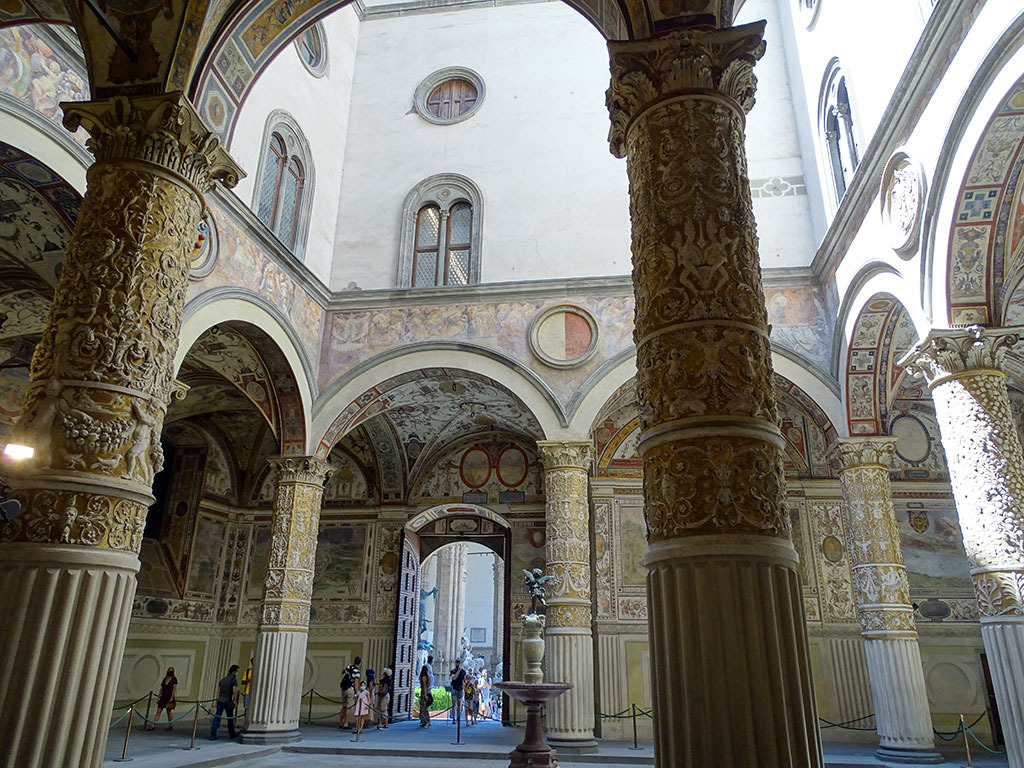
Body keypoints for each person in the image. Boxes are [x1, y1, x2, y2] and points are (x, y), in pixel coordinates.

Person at [210, 664, 239, 740]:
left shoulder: (223, 679)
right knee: (230, 718)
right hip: (228, 701)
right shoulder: (233, 680)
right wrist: (235, 701)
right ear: (234, 671)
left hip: (220, 700)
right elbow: (234, 691)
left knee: (217, 717)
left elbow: (219, 690)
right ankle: (231, 733)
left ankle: (213, 734)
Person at [338, 656, 361, 729]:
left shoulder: (348, 667)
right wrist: (357, 692)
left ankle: (340, 722)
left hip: (344, 688)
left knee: (344, 706)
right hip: (350, 689)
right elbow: (356, 682)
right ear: (360, 663)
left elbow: (343, 672)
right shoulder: (357, 671)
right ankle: (346, 723)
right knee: (349, 707)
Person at [418, 655, 434, 728]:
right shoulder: (428, 674)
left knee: (424, 707)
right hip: (427, 691)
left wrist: (425, 694)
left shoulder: (425, 675)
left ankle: (426, 721)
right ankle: (424, 721)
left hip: (425, 691)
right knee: (424, 707)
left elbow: (424, 685)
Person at [449, 659, 466, 725]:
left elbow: (464, 680)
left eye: (458, 663)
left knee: (459, 704)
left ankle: (458, 717)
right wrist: (458, 671)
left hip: (460, 689)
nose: (457, 664)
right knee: (453, 704)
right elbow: (454, 678)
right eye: (456, 663)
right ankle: (453, 718)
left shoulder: (463, 672)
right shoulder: (453, 671)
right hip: (454, 689)